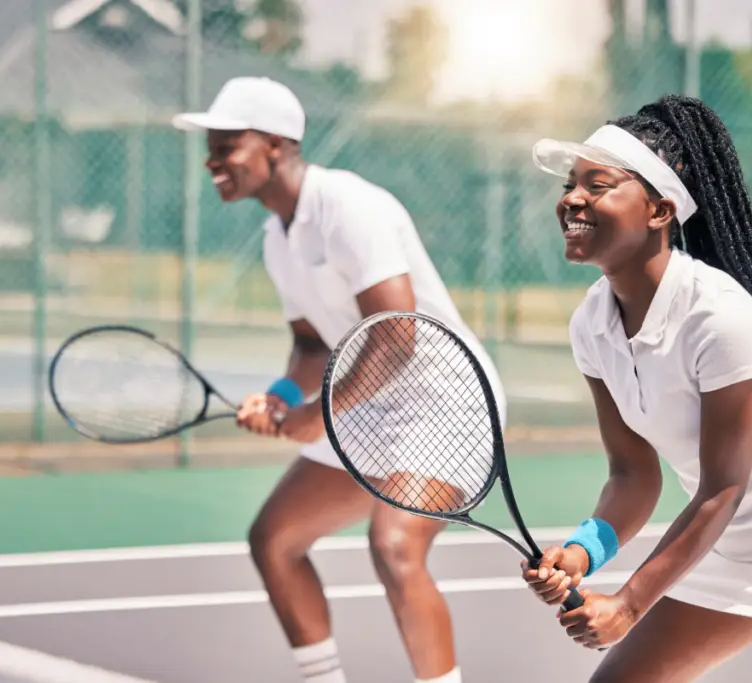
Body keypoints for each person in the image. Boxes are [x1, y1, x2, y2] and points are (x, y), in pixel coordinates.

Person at [520, 94, 752, 682]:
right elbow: (633, 475)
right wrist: (579, 555)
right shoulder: (591, 323)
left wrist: (627, 604)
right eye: (572, 184)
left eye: (598, 186)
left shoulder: (719, 316)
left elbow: (722, 488)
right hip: (731, 549)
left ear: (659, 211)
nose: (573, 198)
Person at [172, 76, 505, 683]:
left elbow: (396, 336)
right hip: (371, 398)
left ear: (274, 145)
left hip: (447, 400)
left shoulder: (348, 207)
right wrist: (279, 398)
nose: (212, 160)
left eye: (226, 145)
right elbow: (311, 343)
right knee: (274, 540)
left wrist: (316, 416)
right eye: (211, 147)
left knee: (395, 547)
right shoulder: (278, 237)